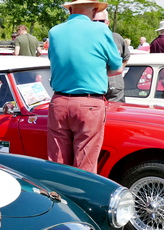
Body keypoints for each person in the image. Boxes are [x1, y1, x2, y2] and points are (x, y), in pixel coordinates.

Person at [47, 0, 122, 174]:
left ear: (70, 9)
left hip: (58, 101)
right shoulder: (101, 30)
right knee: (85, 165)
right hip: (89, 103)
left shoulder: (55, 31)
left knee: (57, 164)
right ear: (95, 10)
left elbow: (54, 62)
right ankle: (81, 199)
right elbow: (117, 68)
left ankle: (58, 198)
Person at [92, 9, 129, 102]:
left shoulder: (116, 38)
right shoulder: (87, 41)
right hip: (95, 93)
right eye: (94, 21)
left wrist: (117, 71)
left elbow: (126, 57)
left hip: (116, 94)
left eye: (101, 21)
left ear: (107, 22)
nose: (98, 24)